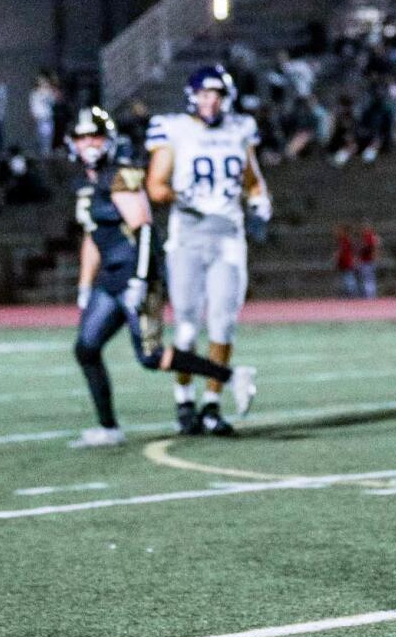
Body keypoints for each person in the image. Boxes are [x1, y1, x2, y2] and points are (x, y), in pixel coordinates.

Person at [67, 107, 255, 447]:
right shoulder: (87, 181)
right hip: (109, 278)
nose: (88, 143)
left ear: (108, 139)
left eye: (94, 135)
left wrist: (140, 279)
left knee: (151, 357)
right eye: (82, 137)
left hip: (135, 277)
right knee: (86, 347)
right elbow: (93, 236)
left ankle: (230, 376)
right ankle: (108, 427)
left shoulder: (122, 175)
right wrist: (84, 284)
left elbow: (145, 229)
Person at [146, 65, 272, 435]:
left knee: (223, 321)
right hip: (188, 235)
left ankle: (213, 403)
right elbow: (155, 185)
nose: (210, 101)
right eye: (204, 94)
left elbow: (252, 178)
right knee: (185, 326)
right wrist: (179, 196)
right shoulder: (175, 129)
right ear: (192, 97)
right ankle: (184, 398)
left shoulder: (240, 129)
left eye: (216, 95)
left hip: (229, 236)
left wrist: (261, 197)